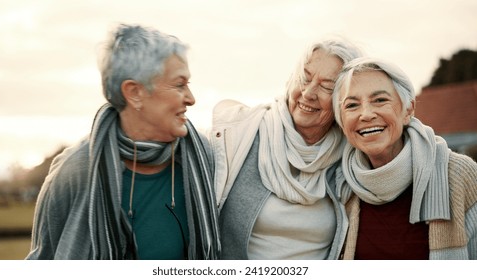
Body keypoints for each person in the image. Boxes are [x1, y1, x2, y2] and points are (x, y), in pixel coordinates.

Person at [26, 24, 220, 260]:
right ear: (134, 92)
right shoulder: (74, 171)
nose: (191, 99)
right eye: (179, 85)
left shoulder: (205, 159)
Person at [210, 37, 363, 259]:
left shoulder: (351, 156)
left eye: (327, 86)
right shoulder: (245, 135)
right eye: (304, 78)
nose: (309, 93)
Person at [332, 57, 477, 259]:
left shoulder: (461, 175)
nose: (366, 114)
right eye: (352, 105)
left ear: (407, 110)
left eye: (380, 100)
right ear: (341, 122)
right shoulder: (339, 186)